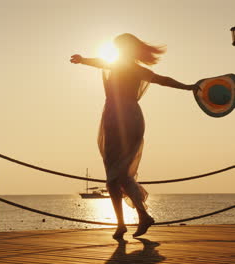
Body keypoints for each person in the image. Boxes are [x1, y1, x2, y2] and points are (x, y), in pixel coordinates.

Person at [70, 33, 198, 239]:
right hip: (115, 117)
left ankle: (141, 216)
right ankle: (123, 223)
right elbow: (101, 62)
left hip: (125, 118)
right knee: (113, 177)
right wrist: (83, 60)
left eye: (119, 46)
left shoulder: (129, 68)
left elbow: (162, 80)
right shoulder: (119, 65)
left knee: (117, 174)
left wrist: (188, 87)